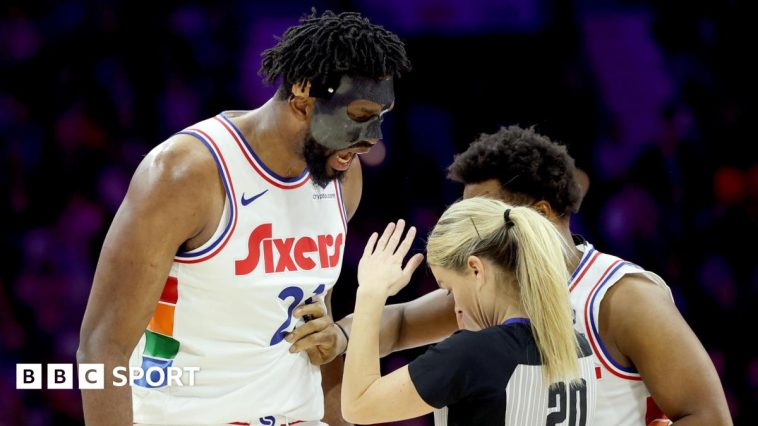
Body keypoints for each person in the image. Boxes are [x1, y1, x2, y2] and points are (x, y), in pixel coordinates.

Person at [77, 10, 410, 426]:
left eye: (381, 118)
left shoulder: (341, 174)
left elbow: (316, 329)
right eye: (359, 118)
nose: (373, 139)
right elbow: (102, 346)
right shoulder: (186, 173)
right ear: (303, 96)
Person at [289, 126, 733, 425]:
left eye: (482, 214)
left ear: (540, 213)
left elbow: (709, 416)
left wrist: (367, 299)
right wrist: (340, 336)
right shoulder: (493, 290)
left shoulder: (621, 299)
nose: (472, 229)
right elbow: (400, 323)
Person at [340, 204, 598, 425]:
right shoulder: (579, 346)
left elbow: (358, 404)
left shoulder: (476, 352)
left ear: (475, 269)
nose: (455, 309)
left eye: (449, 289)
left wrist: (370, 294)